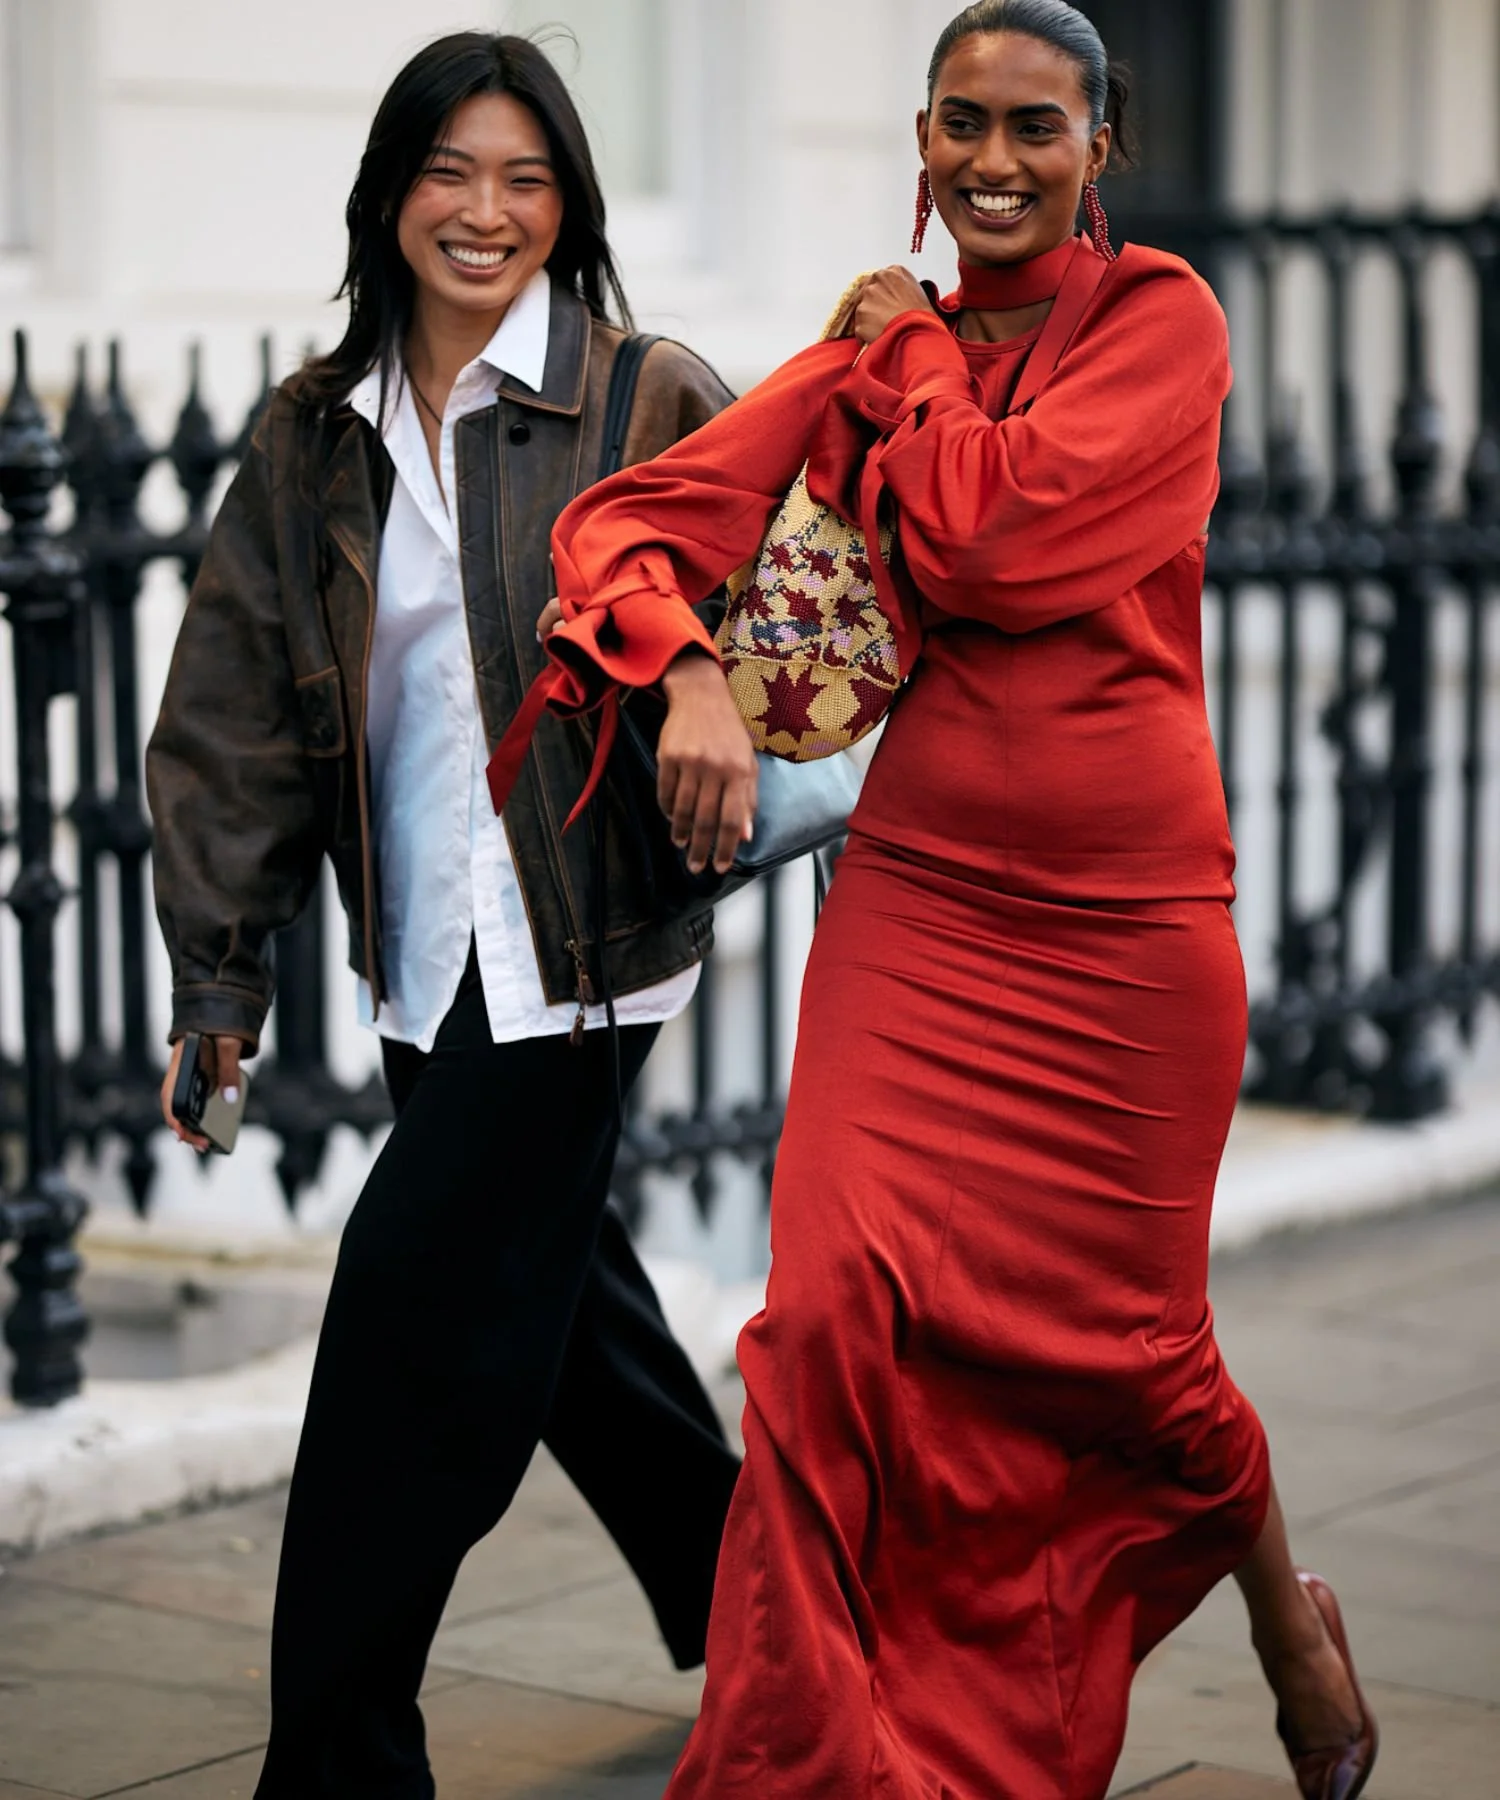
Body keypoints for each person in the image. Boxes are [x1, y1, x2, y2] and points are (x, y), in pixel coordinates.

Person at [518, 3, 1380, 1796]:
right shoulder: (866, 355)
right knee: (826, 1324)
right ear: (921, 141)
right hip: (919, 915)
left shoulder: (1162, 326)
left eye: (1035, 129)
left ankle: (1287, 1619)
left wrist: (907, 364)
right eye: (961, 126)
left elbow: (999, 535)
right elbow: (629, 525)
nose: (994, 163)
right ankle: (806, 1763)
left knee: (1136, 1362)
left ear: (1098, 149)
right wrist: (680, 671)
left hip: (1132, 928)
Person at [145, 32, 742, 1798]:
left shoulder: (645, 394)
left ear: (569, 202)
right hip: (421, 953)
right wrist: (222, 976)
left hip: (585, 947)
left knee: (412, 1329)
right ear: (390, 190)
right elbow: (234, 714)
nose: (486, 213)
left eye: (527, 178)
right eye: (451, 173)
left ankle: (336, 1756)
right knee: (565, 1311)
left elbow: (806, 590)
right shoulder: (316, 435)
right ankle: (763, 1597)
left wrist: (700, 672)